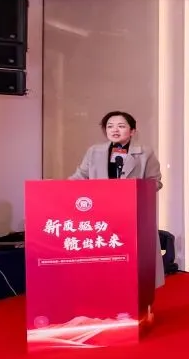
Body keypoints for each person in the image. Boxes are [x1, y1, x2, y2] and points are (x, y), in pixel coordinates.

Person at [69, 111, 164, 287]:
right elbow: (80, 177)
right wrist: (56, 187)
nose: (115, 130)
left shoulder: (145, 153)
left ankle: (134, 294)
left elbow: (155, 182)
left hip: (132, 214)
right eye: (110, 126)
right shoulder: (94, 152)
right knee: (105, 261)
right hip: (101, 215)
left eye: (121, 126)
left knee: (132, 263)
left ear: (132, 131)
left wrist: (134, 188)